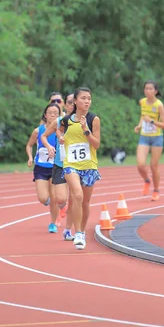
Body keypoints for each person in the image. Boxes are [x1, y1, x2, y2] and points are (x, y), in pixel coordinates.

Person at [45, 87, 101, 250]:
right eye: (83, 98)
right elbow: (57, 130)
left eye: (89, 98)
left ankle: (82, 232)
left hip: (89, 165)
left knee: (85, 202)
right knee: (77, 194)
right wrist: (61, 138)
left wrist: (86, 130)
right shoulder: (66, 120)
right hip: (70, 164)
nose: (87, 101)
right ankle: (77, 233)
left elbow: (96, 144)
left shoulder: (93, 119)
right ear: (75, 101)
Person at [42, 93, 76, 240]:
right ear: (66, 105)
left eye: (73, 102)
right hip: (60, 164)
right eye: (69, 102)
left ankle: (73, 231)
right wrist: (50, 146)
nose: (71, 105)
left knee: (77, 198)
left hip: (78, 165)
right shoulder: (59, 120)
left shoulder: (86, 120)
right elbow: (44, 135)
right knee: (61, 199)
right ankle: (65, 212)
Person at [25, 103, 60, 233]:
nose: (52, 115)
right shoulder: (38, 131)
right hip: (40, 167)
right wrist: (30, 157)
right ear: (45, 115)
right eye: (50, 113)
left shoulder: (60, 130)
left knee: (55, 198)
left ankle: (53, 223)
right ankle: (49, 201)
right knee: (43, 198)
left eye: (56, 113)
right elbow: (29, 145)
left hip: (55, 167)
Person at [134, 81, 164, 201]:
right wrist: (139, 125)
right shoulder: (142, 102)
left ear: (155, 91)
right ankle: (147, 180)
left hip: (156, 138)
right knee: (140, 165)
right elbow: (143, 116)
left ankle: (156, 190)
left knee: (154, 166)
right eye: (146, 88)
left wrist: (152, 122)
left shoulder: (159, 105)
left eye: (150, 89)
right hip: (144, 136)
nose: (148, 91)